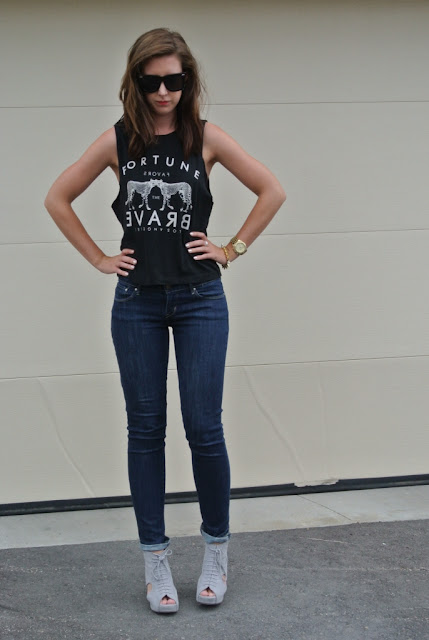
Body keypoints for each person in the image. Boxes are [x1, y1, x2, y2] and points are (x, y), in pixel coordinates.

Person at [45, 27, 286, 614]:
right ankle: (155, 562)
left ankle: (215, 553)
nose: (162, 92)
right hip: (138, 303)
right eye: (150, 81)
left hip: (201, 298)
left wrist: (230, 249)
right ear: (135, 81)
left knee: (205, 429)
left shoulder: (205, 137)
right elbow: (57, 197)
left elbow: (271, 190)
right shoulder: (118, 141)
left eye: (173, 81)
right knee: (145, 431)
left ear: (187, 80)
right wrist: (99, 259)